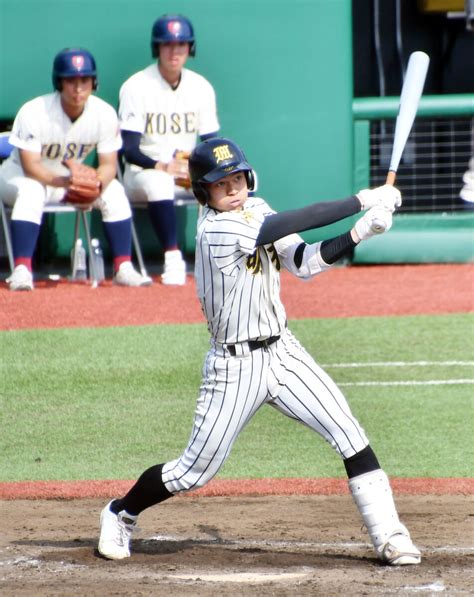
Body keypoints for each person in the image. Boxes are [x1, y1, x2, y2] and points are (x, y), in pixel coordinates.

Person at [97, 137, 421, 567]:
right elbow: (288, 223)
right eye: (220, 183)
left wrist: (361, 231)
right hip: (234, 367)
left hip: (284, 352)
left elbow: (304, 262)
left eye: (237, 178)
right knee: (192, 472)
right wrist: (363, 199)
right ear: (204, 193)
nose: (232, 188)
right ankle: (120, 512)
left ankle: (390, 536)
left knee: (350, 435)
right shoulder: (217, 229)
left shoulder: (257, 208)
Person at [0, 48, 151, 290]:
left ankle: (123, 267)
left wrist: (97, 183)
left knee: (113, 191)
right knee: (31, 191)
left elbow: (109, 165)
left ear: (94, 82)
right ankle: (21, 270)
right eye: (71, 80)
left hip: (66, 180)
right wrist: (66, 182)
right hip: (17, 175)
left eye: (84, 80)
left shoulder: (103, 114)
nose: (78, 87)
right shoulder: (35, 111)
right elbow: (31, 167)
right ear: (59, 82)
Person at [118, 14, 220, 285]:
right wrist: (160, 166)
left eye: (181, 45)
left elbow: (211, 140)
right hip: (142, 172)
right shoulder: (136, 87)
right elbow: (129, 150)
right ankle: (173, 258)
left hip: (186, 172)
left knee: (238, 178)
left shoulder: (201, 87)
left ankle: (230, 255)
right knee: (160, 182)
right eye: (168, 45)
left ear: (190, 48)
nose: (175, 51)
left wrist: (202, 168)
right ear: (157, 48)